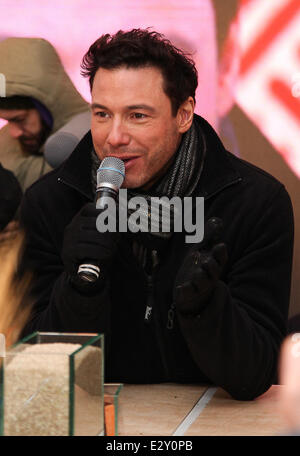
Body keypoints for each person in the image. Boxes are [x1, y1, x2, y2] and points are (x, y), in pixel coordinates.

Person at [20, 29, 294, 400]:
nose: (114, 137)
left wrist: (205, 306)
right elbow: (39, 378)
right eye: (102, 114)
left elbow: (255, 375)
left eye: (137, 115)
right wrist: (80, 286)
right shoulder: (50, 202)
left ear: (183, 114)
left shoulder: (254, 202)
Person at [0, 37, 89, 191]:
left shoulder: (93, 140)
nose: (13, 133)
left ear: (46, 107)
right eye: (7, 121)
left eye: (20, 119)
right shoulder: (4, 142)